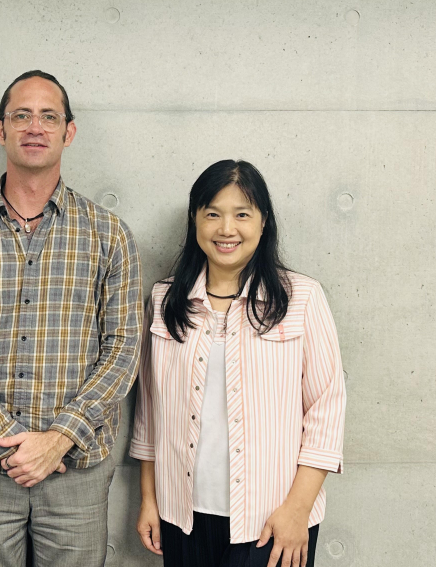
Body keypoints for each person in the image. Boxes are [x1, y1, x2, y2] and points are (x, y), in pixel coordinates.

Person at [0, 69, 143, 566]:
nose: (34, 127)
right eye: (21, 115)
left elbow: (124, 350)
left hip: (77, 469)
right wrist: (11, 443)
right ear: (0, 130)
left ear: (69, 131)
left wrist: (58, 439)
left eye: (49, 116)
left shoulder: (109, 235)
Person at [130, 160, 346, 567]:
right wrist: (149, 500)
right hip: (182, 516)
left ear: (263, 223)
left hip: (272, 520)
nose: (226, 229)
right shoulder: (164, 302)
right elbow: (149, 411)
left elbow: (326, 411)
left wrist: (297, 512)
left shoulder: (302, 298)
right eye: (213, 214)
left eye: (242, 214)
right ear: (195, 221)